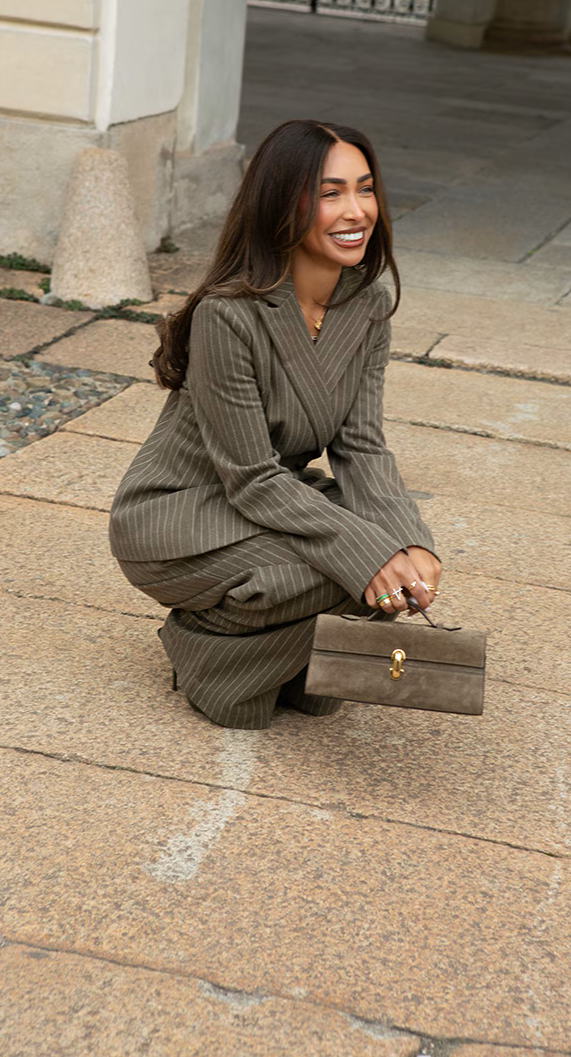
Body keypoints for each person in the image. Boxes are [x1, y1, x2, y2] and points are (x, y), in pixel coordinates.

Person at [109, 119, 441, 730]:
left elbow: (362, 447)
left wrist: (410, 540)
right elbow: (254, 478)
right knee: (360, 567)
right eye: (329, 192)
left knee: (395, 561)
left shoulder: (366, 307)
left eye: (365, 189)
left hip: (264, 504)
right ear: (282, 206)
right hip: (180, 517)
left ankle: (281, 660)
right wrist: (373, 551)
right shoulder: (228, 314)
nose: (356, 210)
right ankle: (209, 651)